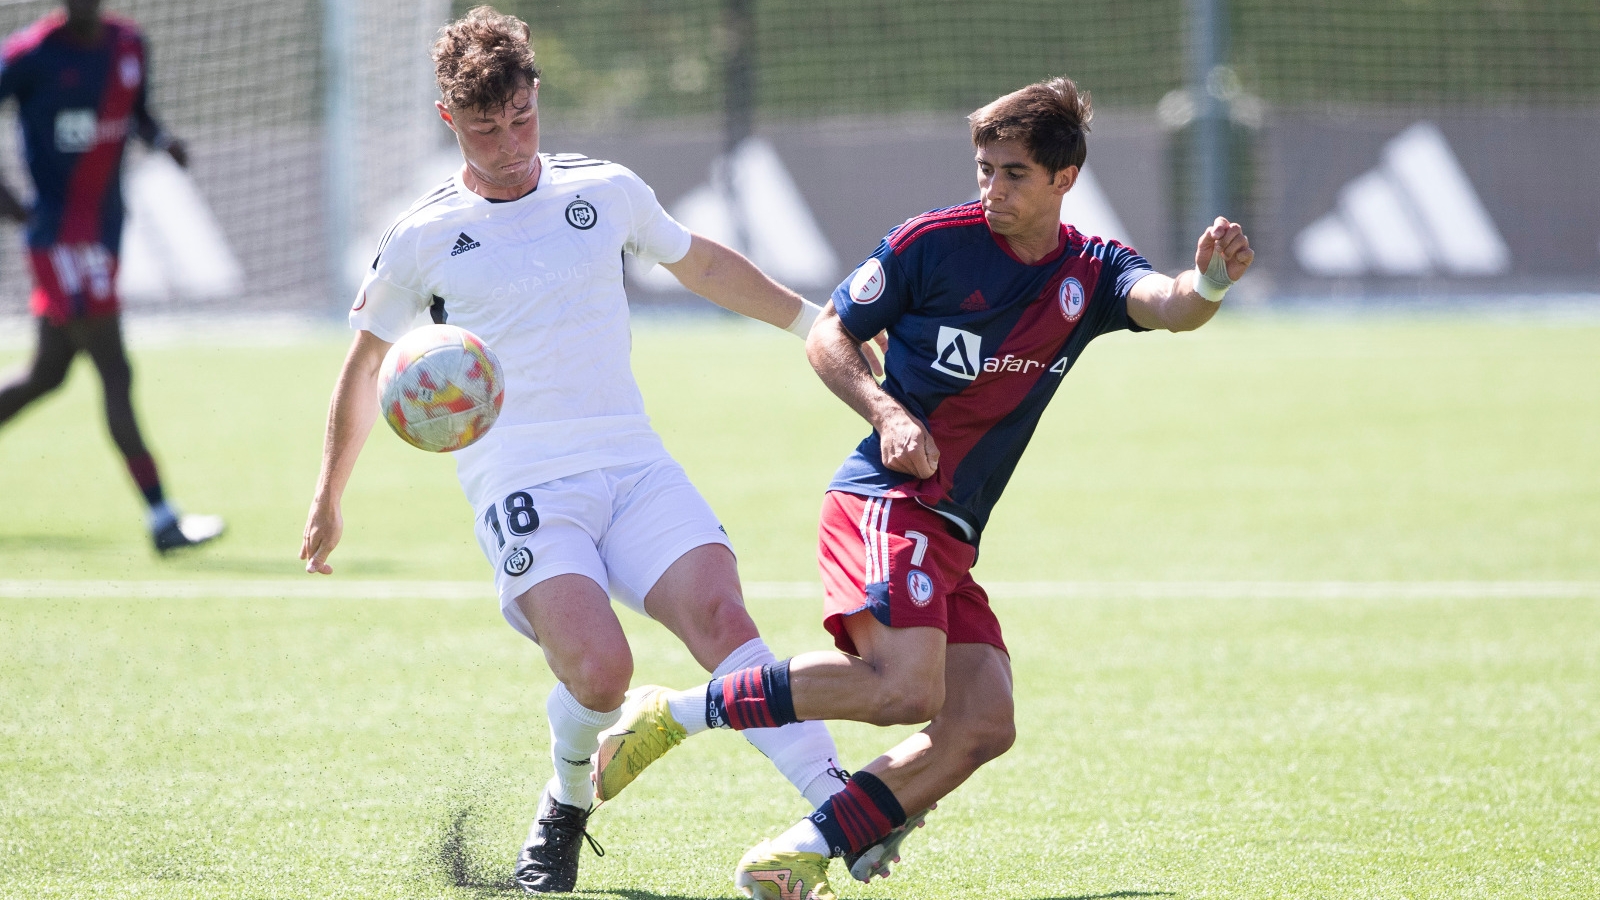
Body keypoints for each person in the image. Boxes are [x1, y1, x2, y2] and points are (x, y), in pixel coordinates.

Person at [592, 76, 1256, 899]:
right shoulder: (932, 244)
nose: (991, 188)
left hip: (952, 531)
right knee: (907, 690)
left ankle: (798, 850)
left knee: (982, 723)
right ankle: (673, 716)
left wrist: (1213, 283)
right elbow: (831, 333)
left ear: (1064, 179)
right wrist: (885, 413)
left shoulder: (1091, 270)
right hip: (886, 498)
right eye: (984, 168)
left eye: (1013, 173)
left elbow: (1171, 304)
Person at [298, 7, 850, 894]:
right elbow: (365, 369)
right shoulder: (421, 237)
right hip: (520, 482)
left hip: (631, 462)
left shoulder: (605, 191)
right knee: (601, 672)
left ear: (535, 96)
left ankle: (837, 805)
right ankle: (565, 802)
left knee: (723, 622)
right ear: (451, 119)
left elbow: (699, 262)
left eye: (521, 119)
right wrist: (330, 494)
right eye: (485, 129)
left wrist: (812, 322)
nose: (510, 144)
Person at [0, 0, 222, 553]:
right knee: (114, 369)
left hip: (105, 232)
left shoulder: (128, 44)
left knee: (46, 375)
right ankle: (163, 519)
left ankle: (164, 520)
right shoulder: (30, 55)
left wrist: (162, 140)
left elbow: (139, 114)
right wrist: (8, 200)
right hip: (60, 240)